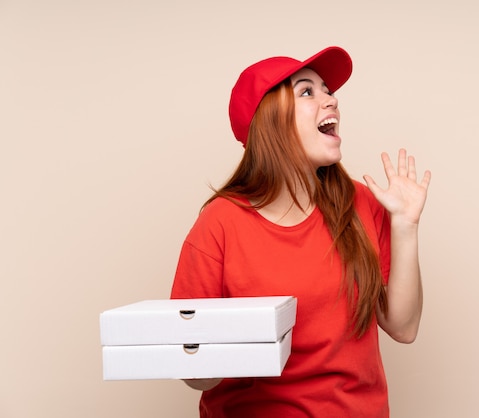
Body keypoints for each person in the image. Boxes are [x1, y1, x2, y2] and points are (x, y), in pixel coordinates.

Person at [170, 45, 431, 418]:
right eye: (308, 91)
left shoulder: (361, 203)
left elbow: (403, 327)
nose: (331, 100)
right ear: (270, 121)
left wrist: (406, 226)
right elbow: (193, 372)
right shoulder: (220, 223)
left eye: (328, 90)